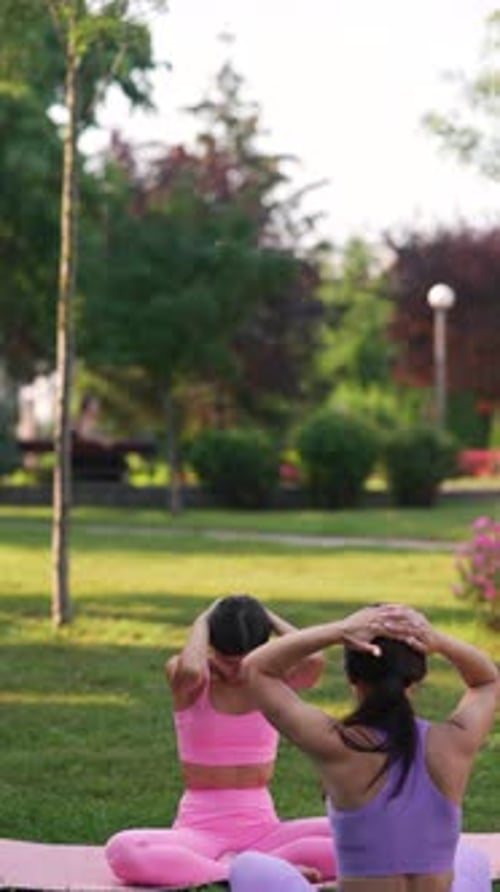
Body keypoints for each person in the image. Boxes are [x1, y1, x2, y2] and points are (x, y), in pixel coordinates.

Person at [234, 603, 498, 892]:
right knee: (469, 856)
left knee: (247, 865)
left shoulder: (336, 744)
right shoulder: (454, 741)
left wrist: (338, 631)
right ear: (417, 677)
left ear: (352, 678)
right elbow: (487, 680)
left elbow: (256, 668)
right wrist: (437, 639)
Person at [105, 595, 337, 887]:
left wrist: (266, 615)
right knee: (123, 851)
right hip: (199, 831)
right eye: (227, 661)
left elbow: (314, 658)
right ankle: (231, 872)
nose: (236, 669)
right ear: (211, 647)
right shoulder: (192, 682)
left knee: (357, 833)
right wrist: (204, 619)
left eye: (247, 660)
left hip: (264, 830)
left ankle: (262, 864)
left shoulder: (271, 680)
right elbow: (190, 668)